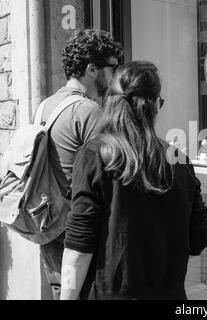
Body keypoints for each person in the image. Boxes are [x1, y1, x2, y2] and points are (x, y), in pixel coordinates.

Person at [60, 61, 207, 300]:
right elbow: (199, 239)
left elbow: (77, 249)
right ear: (155, 107)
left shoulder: (94, 156)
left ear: (108, 102)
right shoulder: (179, 160)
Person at [38, 29, 123, 300]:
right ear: (91, 69)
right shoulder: (89, 112)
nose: (114, 77)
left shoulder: (45, 106)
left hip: (49, 230)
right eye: (112, 68)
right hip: (77, 237)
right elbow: (108, 178)